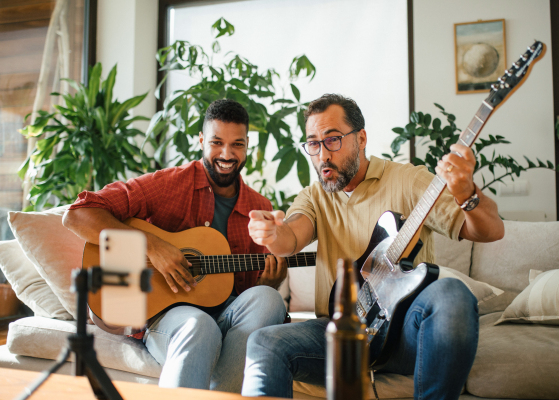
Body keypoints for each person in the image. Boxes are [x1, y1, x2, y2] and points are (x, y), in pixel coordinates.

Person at [242, 94, 505, 399]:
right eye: (313, 144)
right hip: (339, 334)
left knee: (453, 293)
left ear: (361, 138)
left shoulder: (410, 181)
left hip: (403, 333)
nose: (323, 155)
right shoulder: (314, 196)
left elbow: (491, 231)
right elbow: (290, 237)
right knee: (263, 342)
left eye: (333, 140)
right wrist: (272, 233)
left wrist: (466, 193)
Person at [62, 99, 288, 392]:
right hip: (167, 317)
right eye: (216, 142)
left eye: (237, 144)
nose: (227, 154)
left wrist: (269, 282)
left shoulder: (259, 207)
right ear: (200, 141)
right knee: (200, 326)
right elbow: (78, 213)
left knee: (269, 299)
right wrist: (152, 247)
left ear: (247, 146)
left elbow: (241, 295)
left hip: (225, 313)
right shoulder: (169, 184)